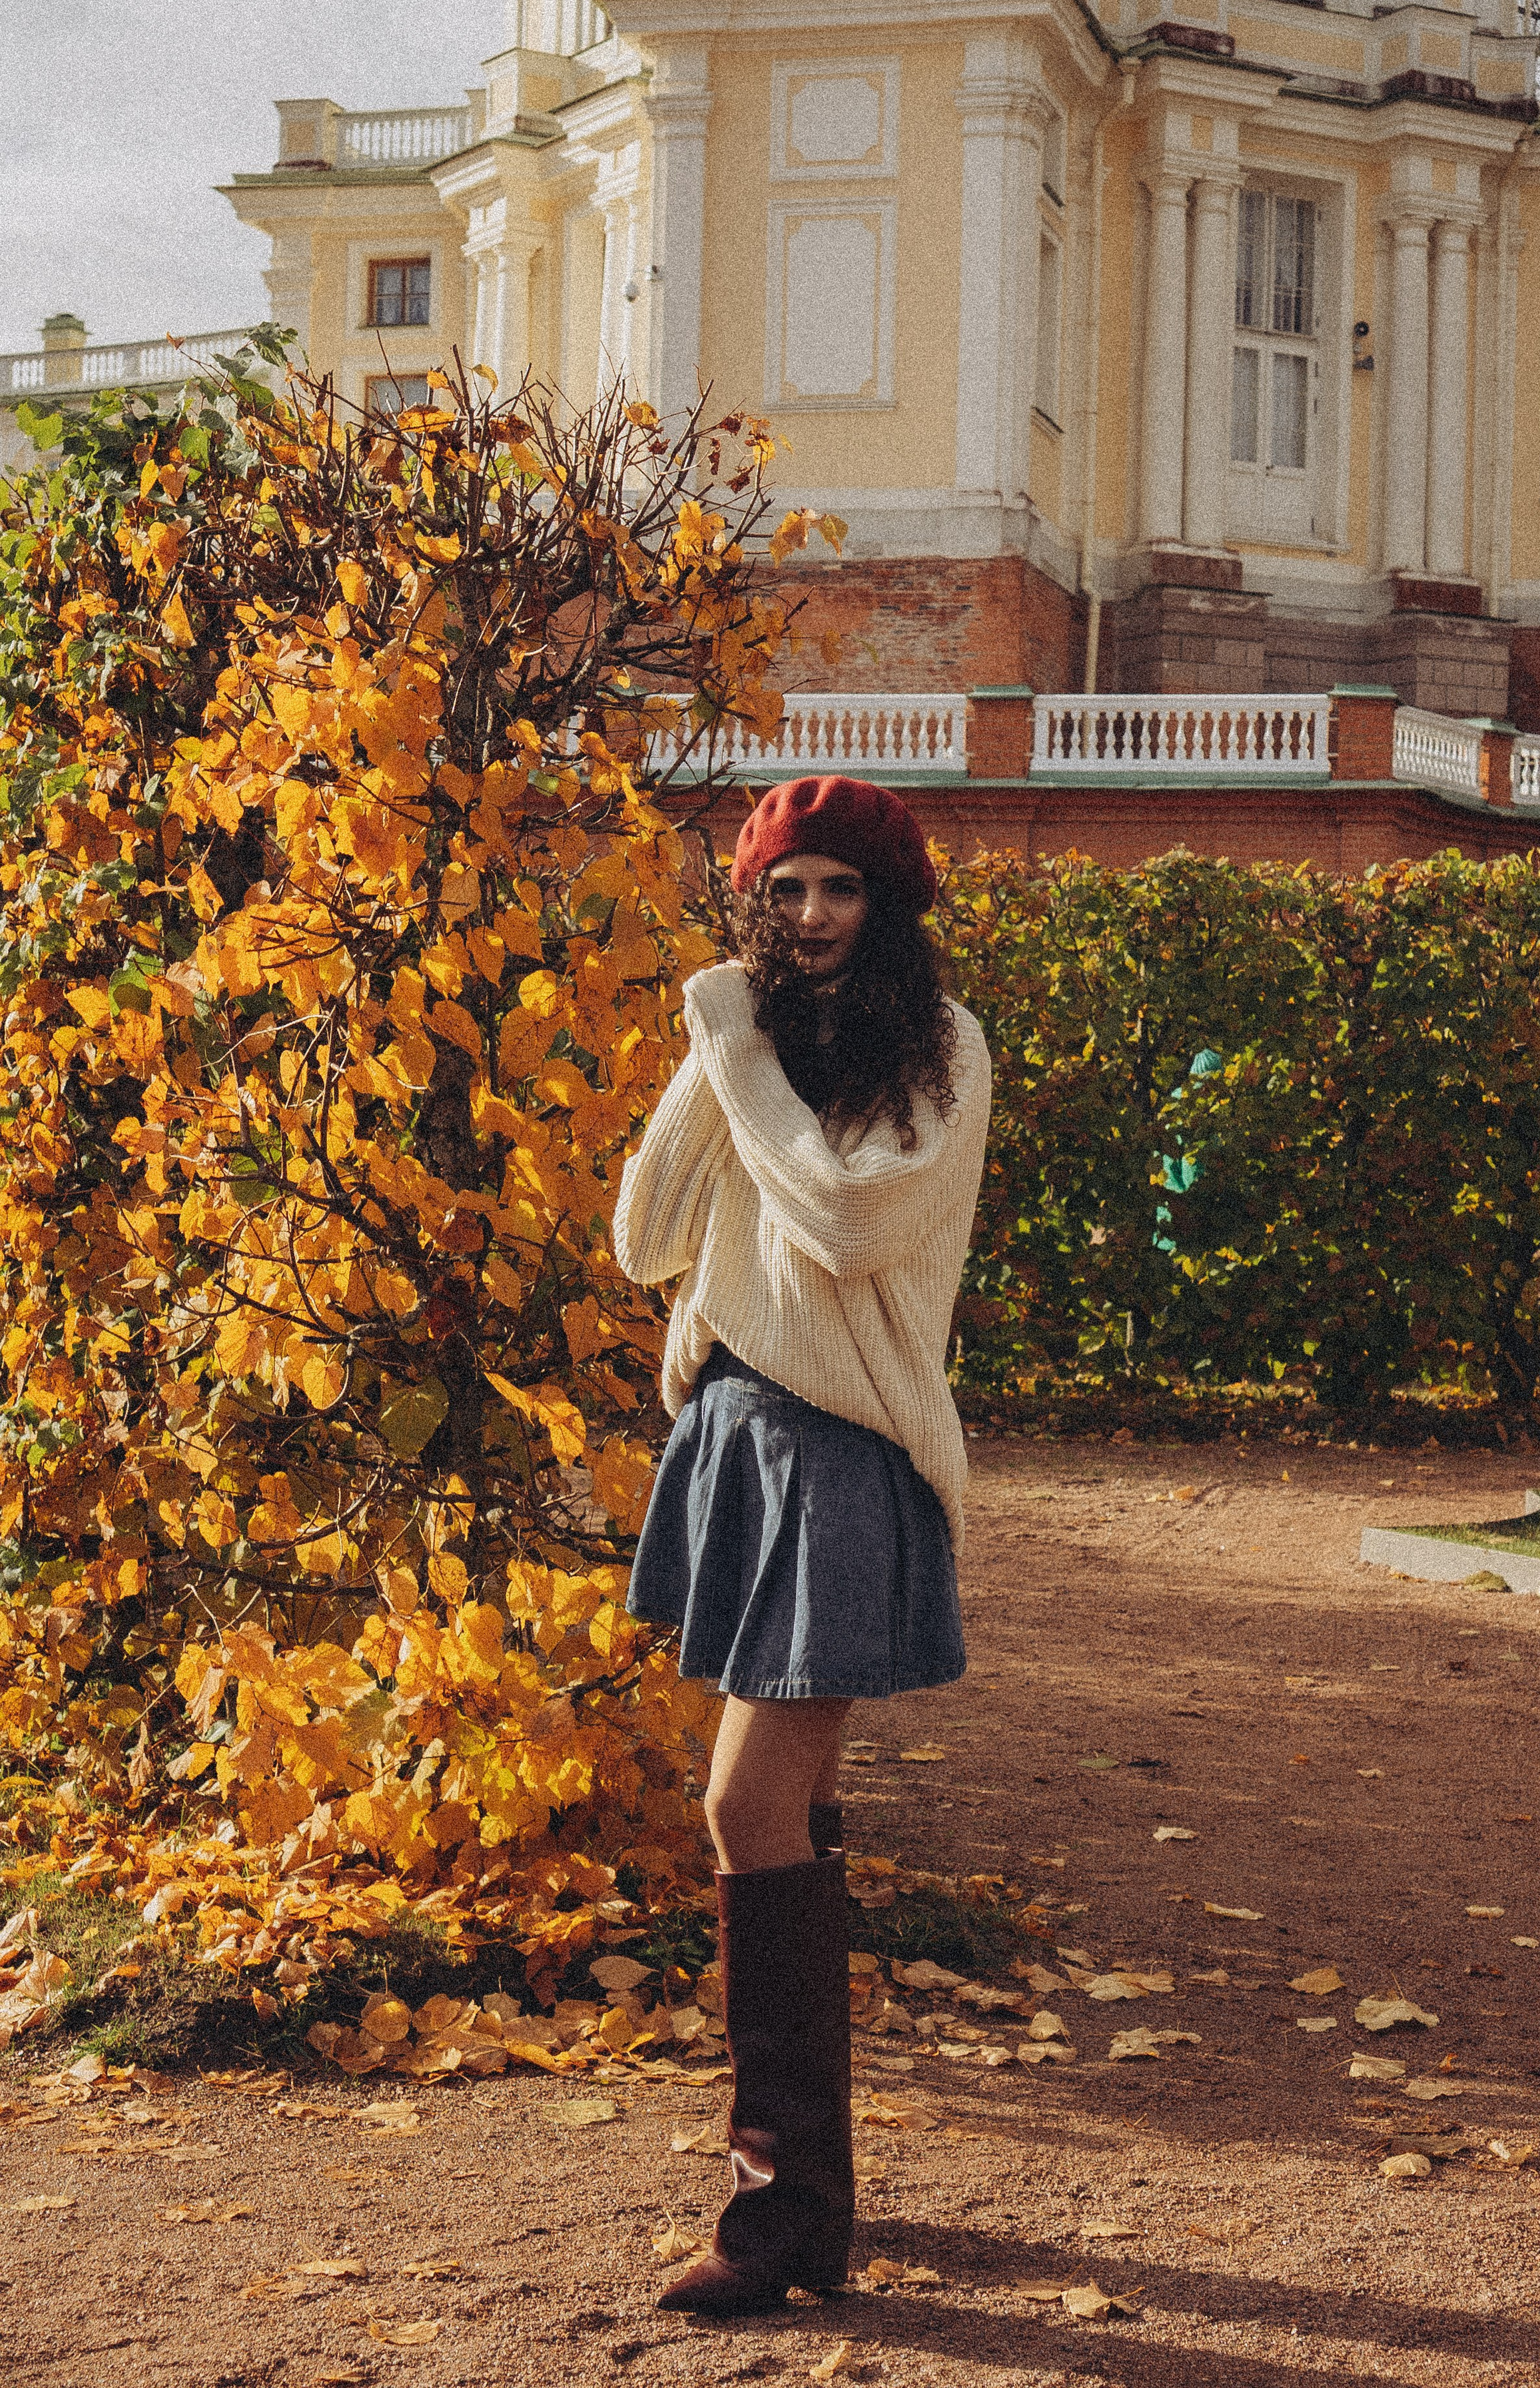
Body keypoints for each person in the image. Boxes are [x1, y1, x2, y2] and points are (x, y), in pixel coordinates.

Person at [613, 774, 991, 2319]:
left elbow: (841, 1223)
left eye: (842, 888)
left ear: (887, 907)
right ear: (753, 906)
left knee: (744, 1806)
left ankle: (780, 2218)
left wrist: (732, 1047)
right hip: (734, 1434)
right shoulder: (749, 1044)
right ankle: (814, 2202)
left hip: (845, 1450)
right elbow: (644, 1238)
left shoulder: (941, 1049)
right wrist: (725, 1052)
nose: (815, 915)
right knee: (795, 1809)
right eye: (786, 889)